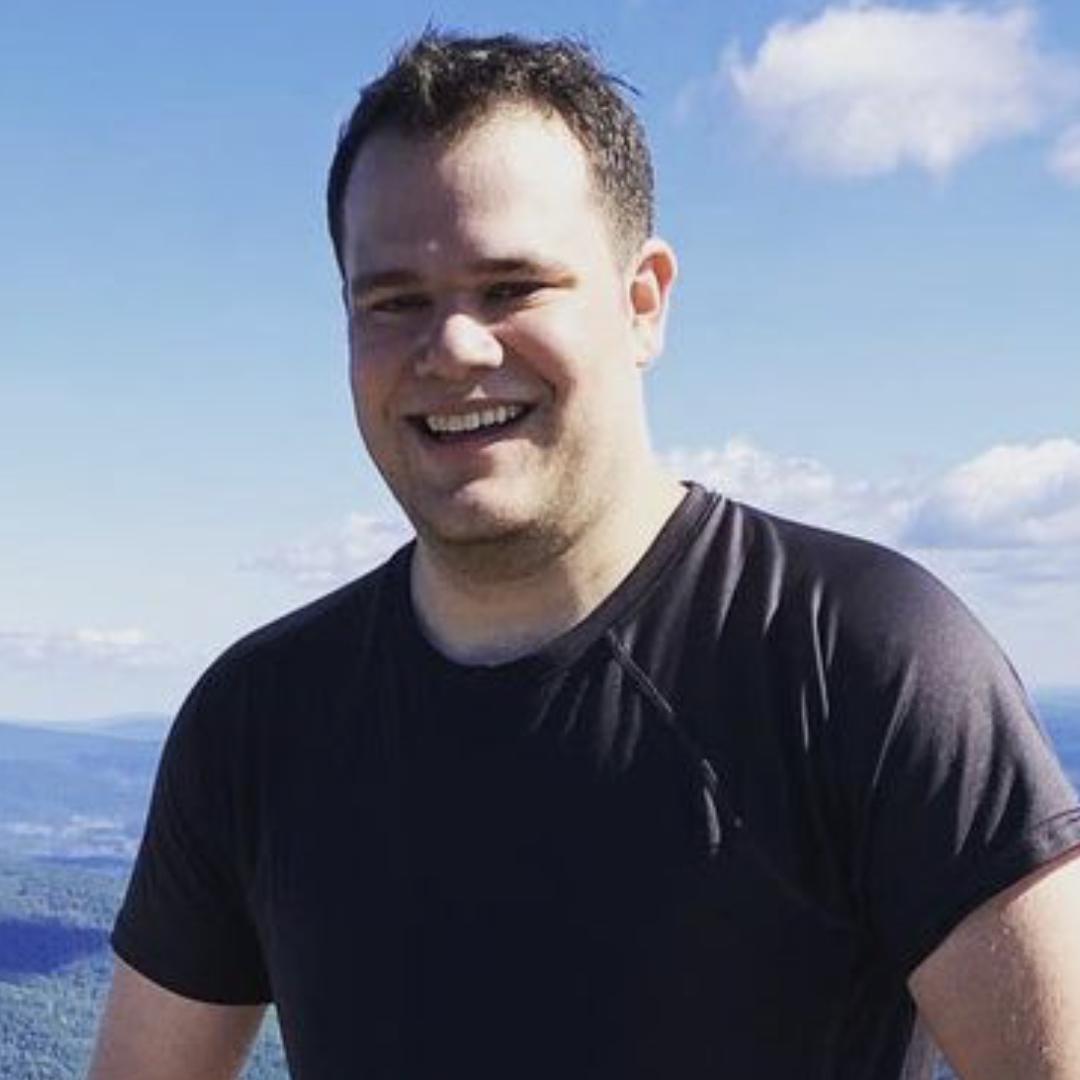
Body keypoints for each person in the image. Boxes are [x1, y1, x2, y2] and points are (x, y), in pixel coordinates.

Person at [89, 31, 1080, 1080]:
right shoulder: (256, 723)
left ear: (643, 302)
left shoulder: (861, 661)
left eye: (513, 286)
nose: (454, 347)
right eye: (394, 301)